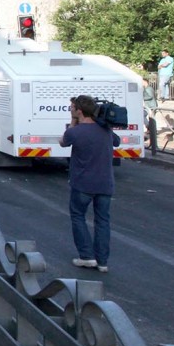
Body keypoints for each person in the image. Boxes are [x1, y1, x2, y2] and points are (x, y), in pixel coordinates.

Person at [60, 95, 119, 273]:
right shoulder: (105, 130)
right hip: (105, 183)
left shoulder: (75, 132)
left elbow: (63, 142)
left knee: (78, 216)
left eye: (72, 108)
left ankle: (86, 256)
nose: (70, 110)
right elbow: (116, 141)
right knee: (103, 221)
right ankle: (102, 261)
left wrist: (72, 121)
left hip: (83, 183)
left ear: (79, 110)